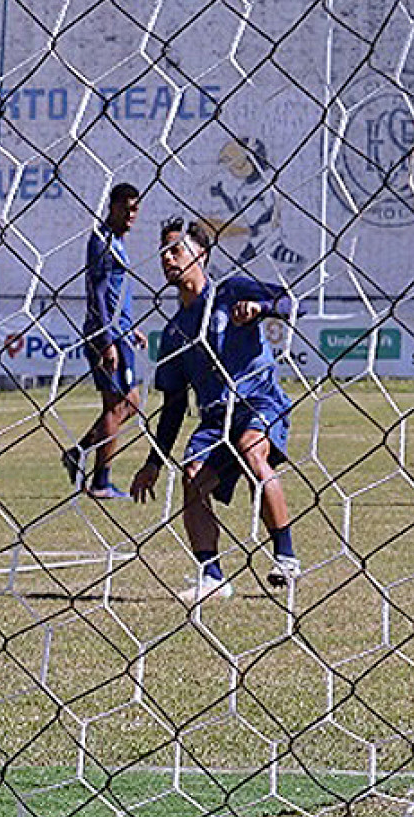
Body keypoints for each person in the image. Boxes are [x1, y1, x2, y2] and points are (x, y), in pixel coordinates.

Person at [128, 218, 300, 602]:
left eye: (175, 250)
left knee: (253, 450)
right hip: (213, 417)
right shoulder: (174, 332)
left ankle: (285, 557)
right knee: (191, 477)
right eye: (163, 253)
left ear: (200, 255)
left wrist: (260, 308)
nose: (167, 259)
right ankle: (212, 577)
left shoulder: (230, 291)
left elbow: (289, 302)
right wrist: (154, 462)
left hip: (258, 400)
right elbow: (172, 406)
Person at [65, 182, 143, 500]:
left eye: (135, 208)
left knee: (132, 403)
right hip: (105, 334)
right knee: (114, 406)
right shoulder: (102, 240)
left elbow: (116, 293)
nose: (130, 214)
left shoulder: (119, 242)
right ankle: (101, 481)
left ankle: (79, 452)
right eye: (125, 207)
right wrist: (108, 339)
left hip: (120, 331)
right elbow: (97, 292)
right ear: (112, 206)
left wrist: (130, 327)